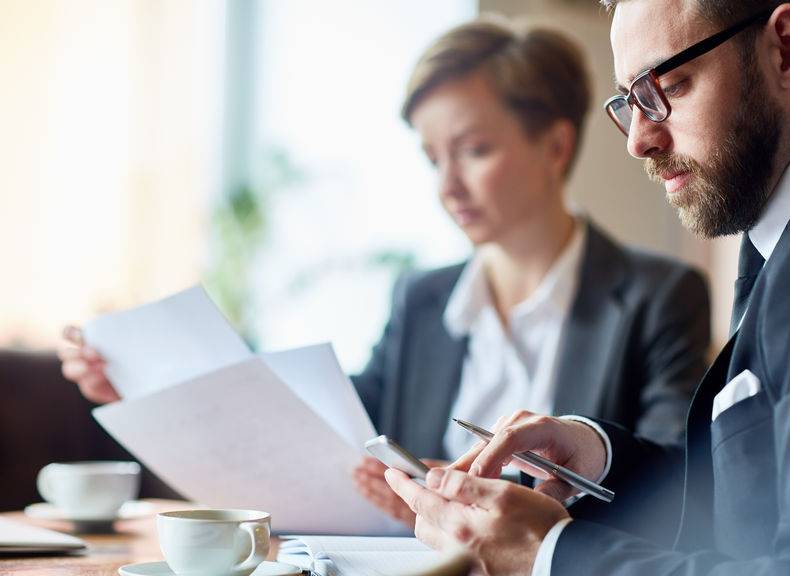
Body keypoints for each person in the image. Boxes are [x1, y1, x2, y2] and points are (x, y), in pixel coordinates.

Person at [59, 17, 711, 531]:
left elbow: (671, 493)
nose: (447, 186)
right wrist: (148, 392)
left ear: (556, 146)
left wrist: (463, 512)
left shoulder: (658, 297)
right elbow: (322, 435)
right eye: (433, 158)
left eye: (474, 150)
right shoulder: (422, 299)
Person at [384, 1, 790, 574]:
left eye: (667, 86)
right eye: (630, 101)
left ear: (786, 47)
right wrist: (596, 455)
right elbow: (749, 504)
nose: (638, 139)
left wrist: (548, 555)